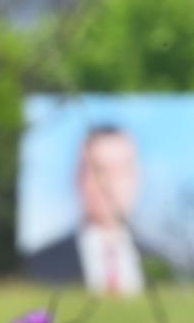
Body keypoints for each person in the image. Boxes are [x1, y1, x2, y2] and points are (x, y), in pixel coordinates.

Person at [25, 125, 148, 296]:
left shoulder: (167, 265)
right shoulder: (37, 264)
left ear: (136, 177)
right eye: (98, 170)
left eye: (119, 170)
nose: (108, 184)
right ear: (78, 177)